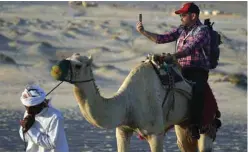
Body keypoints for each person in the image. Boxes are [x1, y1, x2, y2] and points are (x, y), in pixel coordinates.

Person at [136, 2, 210, 140]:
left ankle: (194, 125)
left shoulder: (203, 30)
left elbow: (189, 48)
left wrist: (172, 56)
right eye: (180, 15)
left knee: (198, 91)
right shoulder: (181, 30)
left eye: (183, 15)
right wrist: (144, 32)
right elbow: (161, 39)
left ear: (193, 16)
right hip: (179, 68)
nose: (181, 17)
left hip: (196, 70)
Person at [19, 84, 69, 152]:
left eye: (32, 108)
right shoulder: (28, 113)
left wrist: (30, 129)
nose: (28, 111)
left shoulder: (55, 117)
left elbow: (51, 143)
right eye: (26, 107)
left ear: (41, 104)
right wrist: (24, 128)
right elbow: (25, 138)